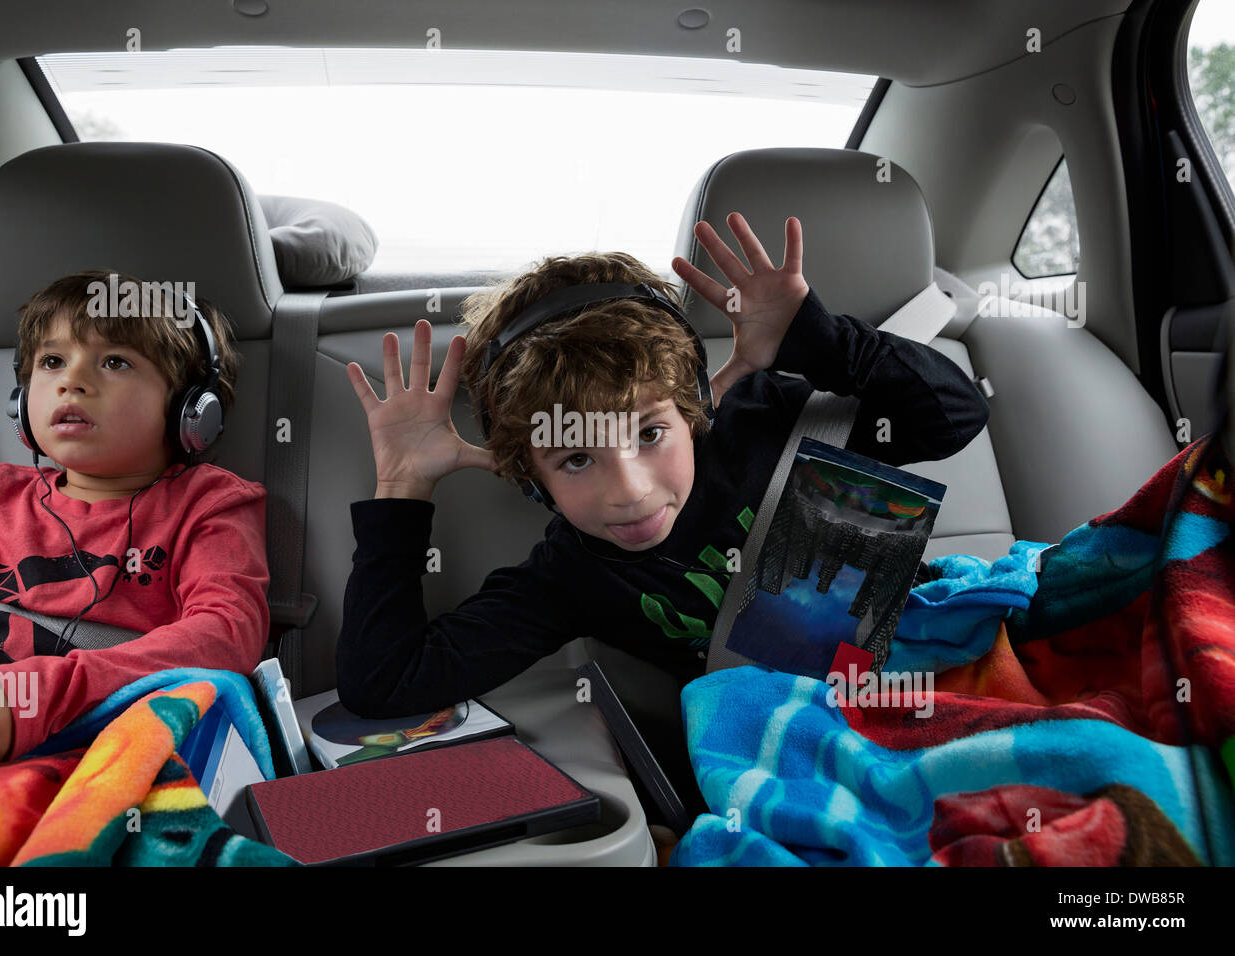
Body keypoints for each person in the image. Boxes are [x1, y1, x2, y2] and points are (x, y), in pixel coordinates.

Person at [338, 212, 987, 720]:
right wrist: (403, 488)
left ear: (696, 406)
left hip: (940, 668)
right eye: (576, 457)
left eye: (650, 433)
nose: (631, 490)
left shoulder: (769, 422)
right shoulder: (572, 575)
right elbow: (384, 682)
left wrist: (815, 338)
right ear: (530, 474)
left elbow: (953, 414)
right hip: (809, 744)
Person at [0, 270, 269, 767]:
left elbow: (225, 635)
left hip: (94, 749)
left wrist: (43, 695)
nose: (72, 381)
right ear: (22, 404)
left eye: (114, 362)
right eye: (51, 362)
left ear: (192, 411)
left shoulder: (208, 504)